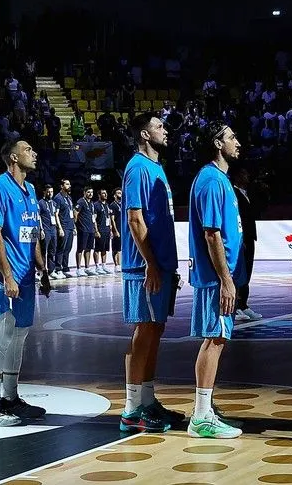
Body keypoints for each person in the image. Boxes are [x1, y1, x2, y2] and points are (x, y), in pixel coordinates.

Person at [119, 113, 183, 433]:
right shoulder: (137, 168)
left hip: (160, 264)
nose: (165, 130)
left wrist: (167, 264)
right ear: (144, 135)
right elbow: (135, 219)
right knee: (143, 333)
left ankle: (147, 400)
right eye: (159, 126)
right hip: (144, 266)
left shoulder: (157, 168)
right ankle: (131, 409)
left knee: (155, 332)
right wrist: (151, 264)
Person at [0, 140, 53, 426]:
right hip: (4, 277)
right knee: (2, 337)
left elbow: (32, 234)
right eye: (28, 150)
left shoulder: (31, 190)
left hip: (25, 276)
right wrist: (8, 276)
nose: (34, 153)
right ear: (13, 157)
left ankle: (10, 397)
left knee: (20, 337)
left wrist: (43, 269)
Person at [186, 122, 244, 439]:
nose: (238, 142)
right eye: (231, 137)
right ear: (217, 143)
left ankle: (204, 409)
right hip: (214, 278)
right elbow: (211, 234)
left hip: (218, 276)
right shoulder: (210, 180)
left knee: (216, 338)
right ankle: (201, 416)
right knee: (214, 338)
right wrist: (225, 280)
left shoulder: (219, 179)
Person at [231, 167, 263, 321]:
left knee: (247, 271)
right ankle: (235, 306)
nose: (247, 176)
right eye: (244, 173)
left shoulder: (248, 193)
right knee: (239, 272)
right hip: (241, 238)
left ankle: (243, 304)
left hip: (250, 237)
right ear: (237, 176)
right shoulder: (233, 193)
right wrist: (240, 238)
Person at [54, 179, 76, 278]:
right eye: (67, 184)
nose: (69, 185)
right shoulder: (58, 198)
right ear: (62, 186)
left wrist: (74, 226)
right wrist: (60, 228)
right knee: (61, 249)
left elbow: (71, 213)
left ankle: (65, 268)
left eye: (69, 184)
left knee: (68, 248)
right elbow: (56, 214)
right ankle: (58, 269)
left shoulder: (69, 198)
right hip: (63, 227)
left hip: (70, 226)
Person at [74, 187, 98, 277]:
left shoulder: (91, 203)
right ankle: (78, 269)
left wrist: (95, 228)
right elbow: (75, 212)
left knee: (88, 249)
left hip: (90, 229)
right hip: (83, 229)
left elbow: (93, 217)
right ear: (84, 193)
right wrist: (76, 225)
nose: (90, 194)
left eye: (92, 192)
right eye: (88, 192)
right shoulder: (81, 201)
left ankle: (87, 267)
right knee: (80, 249)